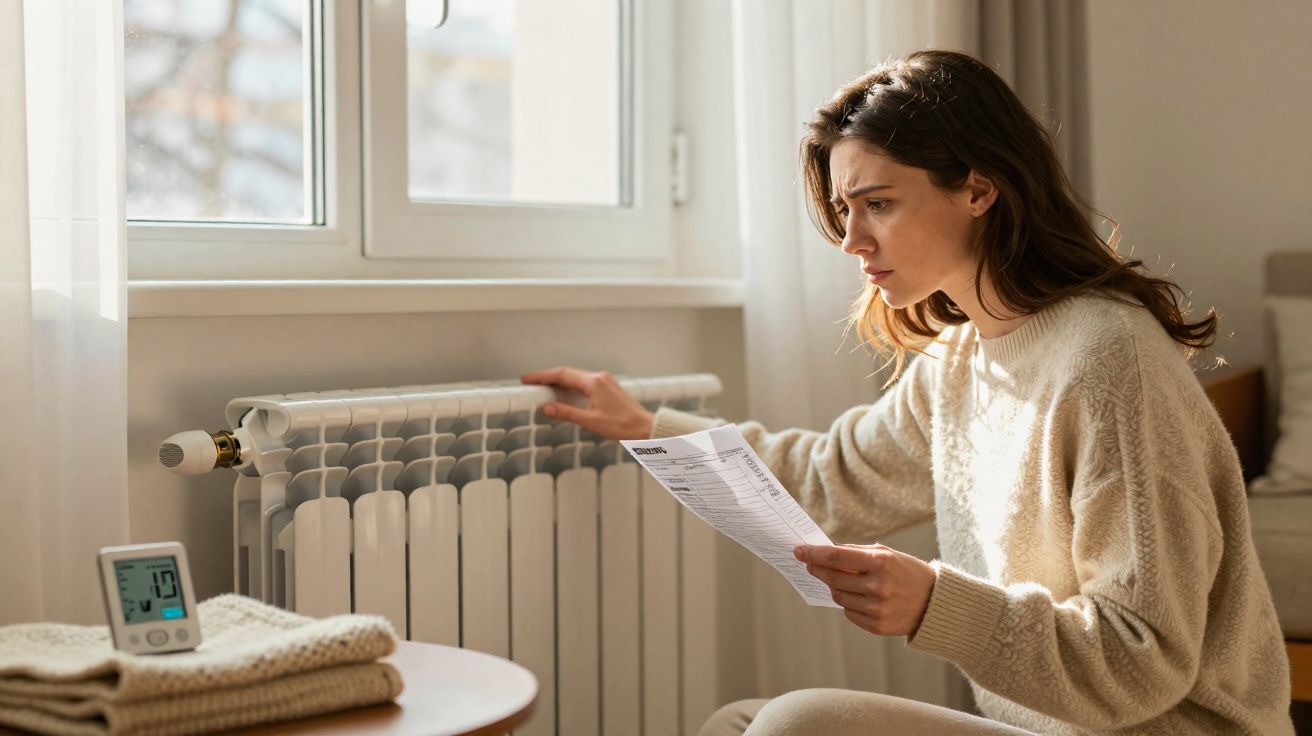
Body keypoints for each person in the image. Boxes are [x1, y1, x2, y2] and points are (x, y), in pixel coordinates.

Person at [521, 49, 1294, 735]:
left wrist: (936, 605)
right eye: (844, 210)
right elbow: (827, 481)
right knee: (740, 725)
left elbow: (1141, 661)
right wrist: (648, 427)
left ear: (979, 189)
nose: (852, 240)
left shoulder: (1109, 362)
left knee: (792, 726)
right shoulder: (958, 361)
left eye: (879, 204)